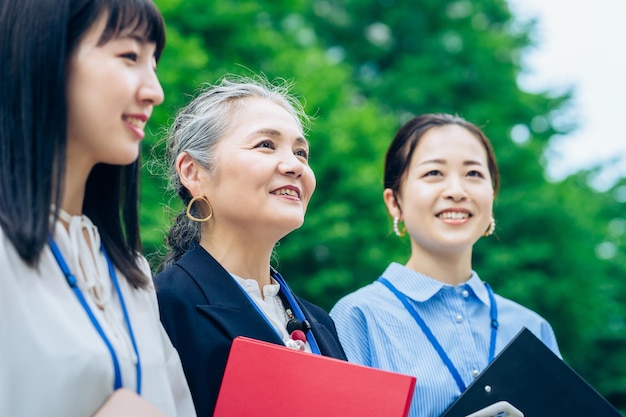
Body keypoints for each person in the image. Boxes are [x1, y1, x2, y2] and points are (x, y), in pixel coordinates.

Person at [0, 1, 195, 416]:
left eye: (154, 63)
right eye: (129, 56)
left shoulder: (134, 276)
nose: (155, 91)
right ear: (41, 53)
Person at [330, 113, 561, 417]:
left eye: (474, 174)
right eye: (434, 173)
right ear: (394, 202)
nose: (457, 190)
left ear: (492, 196)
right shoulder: (358, 318)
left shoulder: (532, 328)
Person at [154, 76, 347, 417]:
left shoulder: (320, 323)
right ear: (193, 172)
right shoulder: (160, 307)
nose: (294, 166)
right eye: (266, 145)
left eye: (301, 152)